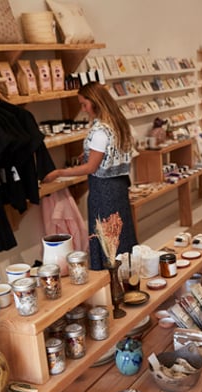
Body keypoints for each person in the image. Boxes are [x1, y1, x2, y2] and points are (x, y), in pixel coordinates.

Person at [42, 82, 138, 270]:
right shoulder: (118, 123)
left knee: (106, 235)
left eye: (84, 104)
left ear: (95, 102)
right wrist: (90, 154)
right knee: (120, 232)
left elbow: (90, 167)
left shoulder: (100, 130)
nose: (83, 109)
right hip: (119, 184)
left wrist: (60, 172)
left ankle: (109, 278)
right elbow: (113, 153)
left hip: (104, 190)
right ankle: (126, 274)